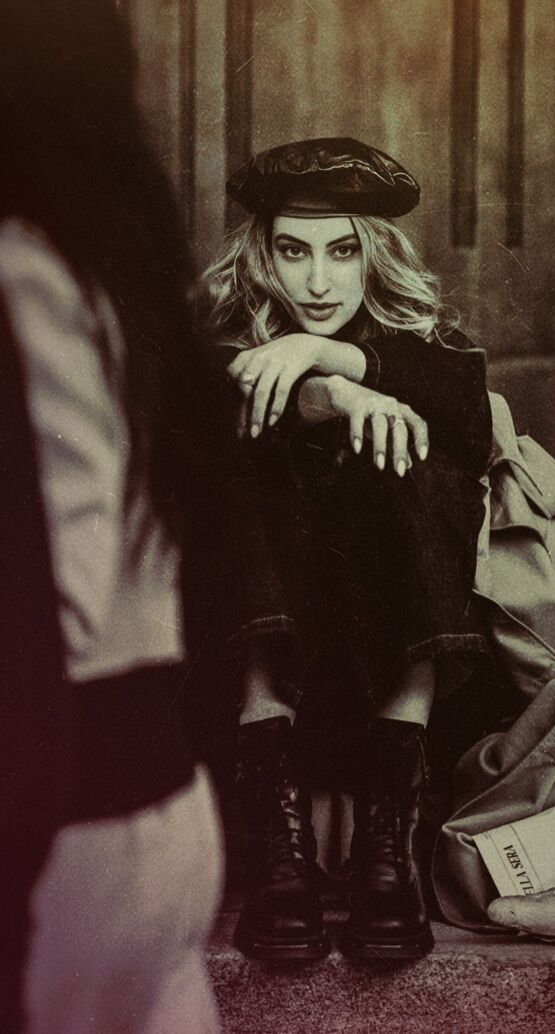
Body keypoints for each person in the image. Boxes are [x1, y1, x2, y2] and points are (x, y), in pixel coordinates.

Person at [195, 137, 493, 961]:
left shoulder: (420, 343)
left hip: (394, 677)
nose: (319, 282)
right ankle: (279, 848)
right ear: (263, 257)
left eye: (343, 252)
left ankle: (387, 845)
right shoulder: (217, 337)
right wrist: (329, 393)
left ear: (374, 256)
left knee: (419, 465)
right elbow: (218, 398)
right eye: (294, 252)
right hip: (264, 690)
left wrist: (330, 354)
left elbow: (467, 411)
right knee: (246, 474)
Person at [0, 2, 223, 1031]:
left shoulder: (23, 273)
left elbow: (51, 599)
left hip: (59, 829)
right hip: (154, 803)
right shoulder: (116, 256)